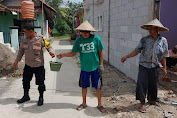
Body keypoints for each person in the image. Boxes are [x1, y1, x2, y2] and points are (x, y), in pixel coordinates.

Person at [56, 21, 106, 113]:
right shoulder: (78, 41)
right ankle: (84, 103)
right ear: (80, 32)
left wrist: (101, 64)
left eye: (87, 31)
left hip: (95, 67)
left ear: (90, 32)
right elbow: (73, 53)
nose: (85, 33)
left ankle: (99, 104)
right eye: (83, 31)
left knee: (98, 87)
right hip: (84, 68)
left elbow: (100, 51)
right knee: (84, 86)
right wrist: (63, 55)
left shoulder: (96, 39)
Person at [121, 18, 169, 113]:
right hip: (144, 66)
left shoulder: (163, 41)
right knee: (142, 85)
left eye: (151, 28)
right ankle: (142, 103)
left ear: (157, 29)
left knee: (153, 84)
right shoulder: (144, 40)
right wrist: (127, 56)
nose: (149, 30)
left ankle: (152, 100)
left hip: (155, 66)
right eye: (149, 28)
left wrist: (164, 68)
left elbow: (164, 55)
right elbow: (136, 51)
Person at [13, 23, 55, 106]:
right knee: (25, 81)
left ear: (31, 31)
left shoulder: (41, 38)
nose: (24, 33)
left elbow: (48, 46)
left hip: (38, 65)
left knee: (40, 83)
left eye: (25, 32)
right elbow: (21, 50)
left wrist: (51, 52)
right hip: (28, 65)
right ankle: (26, 96)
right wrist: (17, 60)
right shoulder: (24, 38)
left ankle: (41, 97)